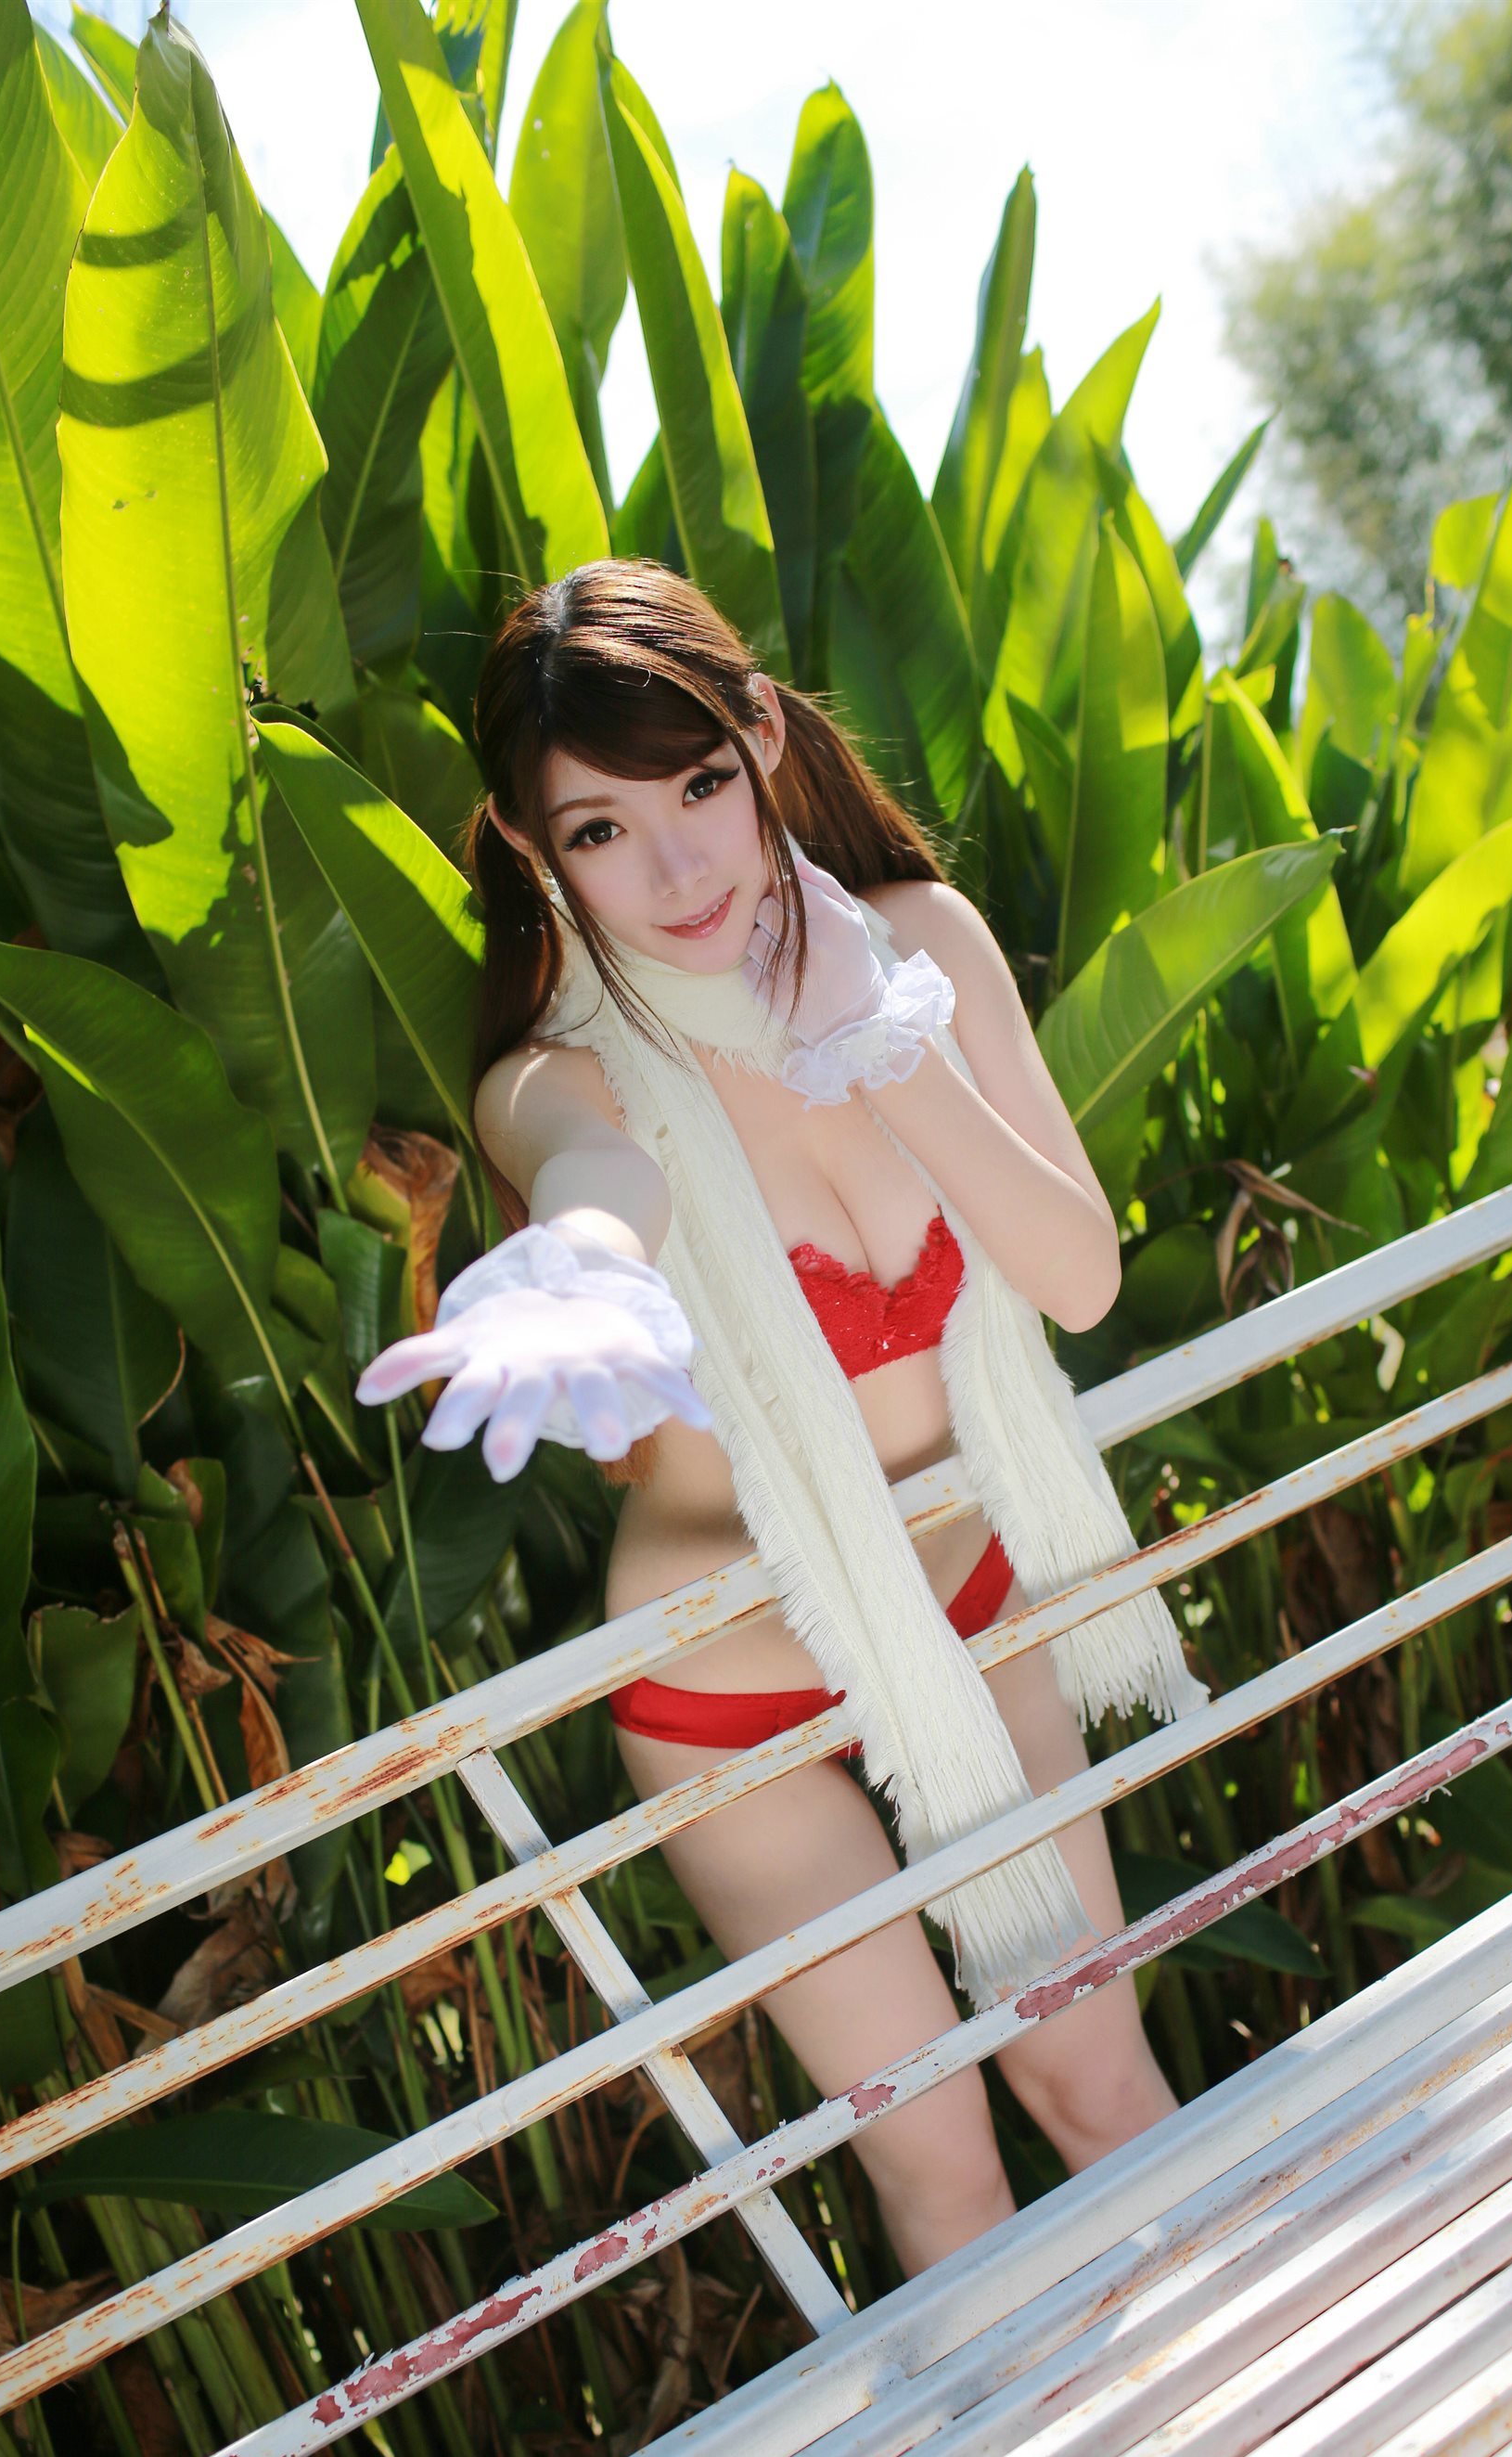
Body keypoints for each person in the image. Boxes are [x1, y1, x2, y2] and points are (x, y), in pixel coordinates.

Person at [359, 560, 1202, 2279]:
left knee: (1093, 2072)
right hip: (724, 1685)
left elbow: (1076, 1276)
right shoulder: (557, 1073)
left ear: (758, 737)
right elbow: (594, 1179)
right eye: (599, 830)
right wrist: (585, 1267)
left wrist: (877, 1042)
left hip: (971, 1601)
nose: (677, 869)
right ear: (527, 846)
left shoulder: (927, 946)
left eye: (696, 786)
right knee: (941, 2171)